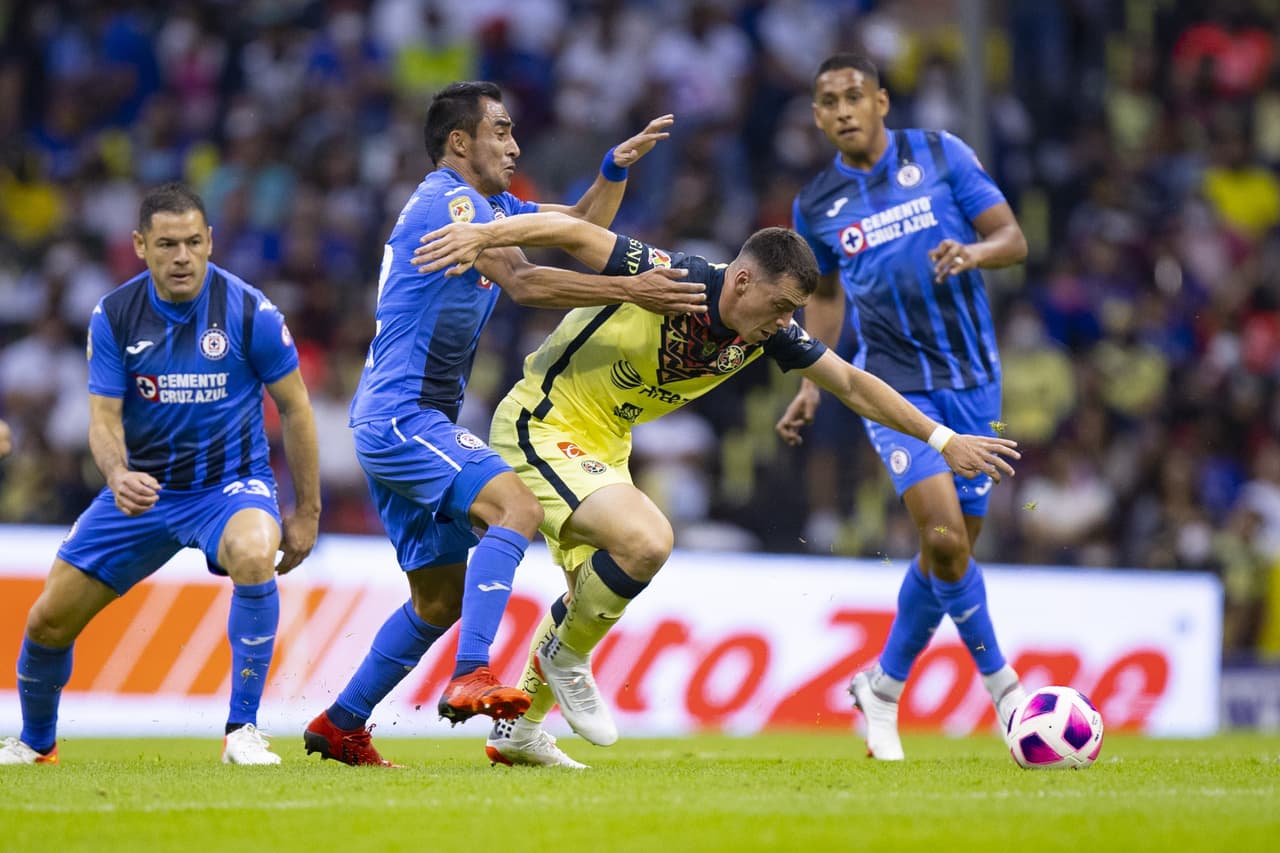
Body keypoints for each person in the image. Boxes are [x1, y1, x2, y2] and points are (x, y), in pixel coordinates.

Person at [412, 211, 1019, 767]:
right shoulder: (673, 278)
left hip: (606, 444)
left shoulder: (769, 332)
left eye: (793, 313)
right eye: (779, 306)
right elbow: (573, 234)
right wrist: (484, 236)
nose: (785, 324)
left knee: (590, 596)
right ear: (743, 282)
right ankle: (558, 661)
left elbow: (854, 384)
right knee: (647, 542)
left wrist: (943, 441)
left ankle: (519, 731)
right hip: (543, 421)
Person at [302, 81, 706, 767]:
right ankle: (475, 671)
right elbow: (525, 281)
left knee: (437, 597)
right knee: (515, 505)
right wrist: (633, 290)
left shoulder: (490, 208)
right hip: (404, 414)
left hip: (401, 419)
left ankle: (342, 722)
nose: (514, 144)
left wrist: (612, 171)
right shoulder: (451, 200)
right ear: (460, 142)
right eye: (501, 130)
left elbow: (577, 224)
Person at [0, 182, 321, 766]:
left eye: (194, 242)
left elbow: (297, 407)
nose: (182, 256)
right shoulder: (115, 315)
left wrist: (307, 512)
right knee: (47, 621)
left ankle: (242, 731)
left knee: (253, 554)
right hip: (143, 493)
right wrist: (117, 472)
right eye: (167, 244)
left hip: (229, 487)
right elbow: (103, 418)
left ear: (210, 242)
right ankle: (35, 744)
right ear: (140, 246)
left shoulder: (251, 310)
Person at [777, 52, 1031, 760]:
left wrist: (977, 254)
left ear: (882, 101)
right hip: (891, 386)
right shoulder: (817, 203)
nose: (842, 110)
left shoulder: (941, 154)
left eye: (854, 95)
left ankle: (883, 687)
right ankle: (1006, 690)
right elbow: (823, 298)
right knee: (945, 539)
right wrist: (808, 381)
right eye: (827, 101)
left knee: (947, 553)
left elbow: (1014, 238)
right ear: (819, 116)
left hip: (974, 379)